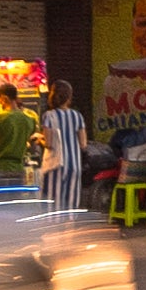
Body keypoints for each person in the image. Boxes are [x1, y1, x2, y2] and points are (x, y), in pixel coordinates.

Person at [38, 79, 86, 212]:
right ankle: (69, 229)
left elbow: (48, 144)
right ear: (69, 96)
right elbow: (83, 144)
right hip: (74, 165)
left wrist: (39, 140)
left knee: (54, 203)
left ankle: (55, 228)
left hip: (55, 165)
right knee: (70, 203)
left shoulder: (49, 116)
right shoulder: (77, 116)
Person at [0, 82, 38, 174]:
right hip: (20, 167)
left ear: (4, 99)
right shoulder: (30, 119)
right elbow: (32, 141)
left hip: (1, 166)